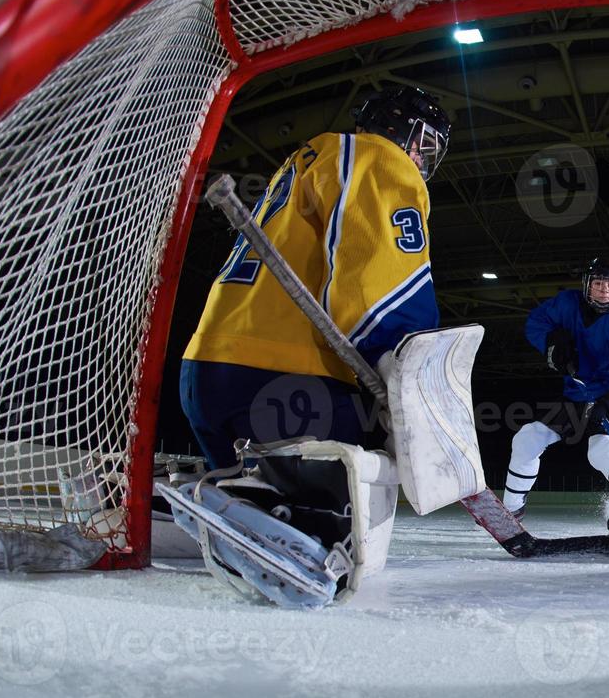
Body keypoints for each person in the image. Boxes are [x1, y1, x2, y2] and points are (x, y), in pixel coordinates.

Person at [180, 85, 450, 471]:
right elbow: (379, 272)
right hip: (286, 375)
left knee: (242, 517)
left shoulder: (306, 160)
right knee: (325, 526)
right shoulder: (375, 155)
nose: (420, 157)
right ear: (394, 127)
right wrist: (405, 364)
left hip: (206, 368)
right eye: (422, 143)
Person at [502, 257, 609, 527]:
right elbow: (536, 322)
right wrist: (551, 340)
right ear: (587, 285)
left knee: (601, 450)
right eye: (598, 283)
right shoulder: (566, 303)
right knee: (527, 437)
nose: (604, 290)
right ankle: (511, 511)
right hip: (576, 395)